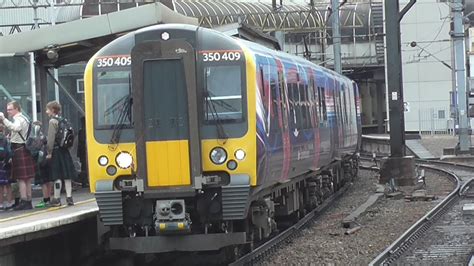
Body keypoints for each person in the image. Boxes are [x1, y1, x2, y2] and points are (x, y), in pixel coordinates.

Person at [0, 101, 36, 210]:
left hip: (19, 149)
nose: (8, 112)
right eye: (7, 109)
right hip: (24, 149)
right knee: (27, 179)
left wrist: (3, 119)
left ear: (16, 109)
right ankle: (28, 201)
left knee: (22, 178)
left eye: (10, 109)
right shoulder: (25, 118)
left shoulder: (19, 119)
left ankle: (24, 200)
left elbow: (15, 128)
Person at [46, 101, 76, 206]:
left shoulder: (52, 122)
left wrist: (49, 152)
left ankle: (57, 198)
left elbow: (50, 139)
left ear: (53, 110)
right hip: (65, 151)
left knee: (57, 176)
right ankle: (69, 197)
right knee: (67, 175)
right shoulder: (64, 120)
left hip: (56, 151)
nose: (46, 112)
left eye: (48, 109)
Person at [31, 121, 52, 208]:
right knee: (48, 181)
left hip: (40, 161)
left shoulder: (34, 138)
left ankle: (45, 199)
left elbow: (32, 150)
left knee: (43, 182)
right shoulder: (44, 136)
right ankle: (48, 199)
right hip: (47, 159)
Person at [0, 125, 14, 210]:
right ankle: (10, 203)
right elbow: (9, 151)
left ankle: (0, 204)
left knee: (0, 186)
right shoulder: (5, 139)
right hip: (5, 163)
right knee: (8, 185)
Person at [77, 116, 88, 188]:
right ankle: (85, 181)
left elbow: (80, 142)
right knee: (85, 167)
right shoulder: (87, 130)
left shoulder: (81, 131)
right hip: (84, 151)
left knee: (83, 167)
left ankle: (84, 182)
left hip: (82, 152)